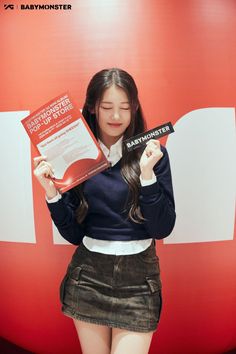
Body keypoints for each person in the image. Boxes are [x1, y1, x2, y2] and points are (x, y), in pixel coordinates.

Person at [33, 68, 176, 354]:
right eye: (107, 107)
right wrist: (52, 192)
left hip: (139, 279)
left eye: (124, 107)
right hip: (88, 277)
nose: (116, 117)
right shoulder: (76, 155)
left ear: (134, 108)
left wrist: (146, 176)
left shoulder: (151, 152)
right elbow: (73, 233)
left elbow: (162, 229)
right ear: (91, 108)